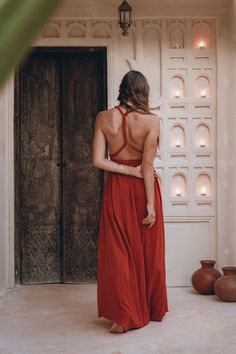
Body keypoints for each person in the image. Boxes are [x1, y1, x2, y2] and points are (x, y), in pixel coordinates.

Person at [92, 70, 169, 334]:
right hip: (142, 190)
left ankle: (122, 315)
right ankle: (147, 308)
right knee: (147, 251)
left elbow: (98, 161)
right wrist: (150, 204)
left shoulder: (104, 118)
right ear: (143, 91)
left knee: (119, 251)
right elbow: (147, 166)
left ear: (122, 89)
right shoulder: (151, 121)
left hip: (116, 188)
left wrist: (125, 171)